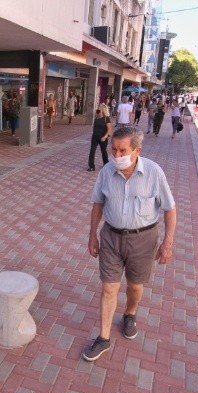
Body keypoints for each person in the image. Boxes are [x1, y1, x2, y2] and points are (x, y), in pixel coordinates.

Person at [83, 126, 177, 361]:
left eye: (122, 150)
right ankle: (103, 338)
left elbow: (170, 208)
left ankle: (130, 313)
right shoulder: (106, 171)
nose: (116, 155)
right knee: (109, 287)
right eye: (113, 149)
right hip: (111, 237)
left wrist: (168, 242)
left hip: (143, 239)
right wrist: (92, 234)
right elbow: (97, 204)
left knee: (135, 286)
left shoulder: (154, 173)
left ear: (137, 150)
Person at [87, 103, 112, 172]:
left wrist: (105, 136)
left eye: (99, 109)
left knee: (103, 151)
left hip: (103, 138)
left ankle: (106, 164)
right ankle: (91, 166)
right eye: (98, 109)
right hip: (95, 137)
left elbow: (109, 129)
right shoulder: (96, 117)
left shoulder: (106, 118)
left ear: (103, 110)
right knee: (92, 151)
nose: (98, 110)